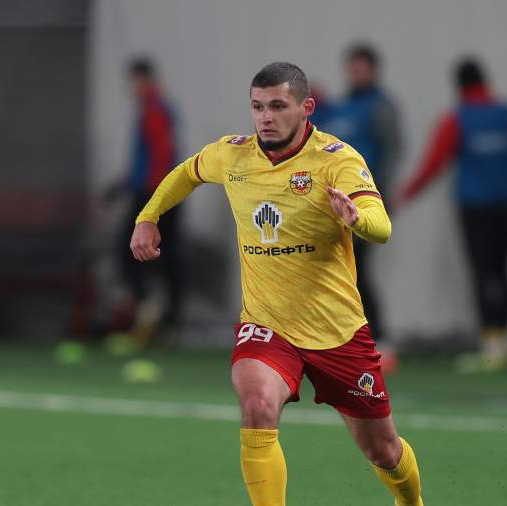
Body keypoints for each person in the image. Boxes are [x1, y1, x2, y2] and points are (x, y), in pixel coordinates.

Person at [130, 62, 423, 506]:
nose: (265, 117)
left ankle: (411, 501)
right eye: (258, 107)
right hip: (268, 326)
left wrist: (357, 219)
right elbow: (187, 172)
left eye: (278, 106)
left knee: (383, 451)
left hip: (336, 331)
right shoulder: (233, 155)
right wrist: (148, 217)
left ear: (306, 108)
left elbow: (381, 226)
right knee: (257, 405)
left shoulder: (336, 159)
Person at [397, 58, 507, 372]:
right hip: (504, 205)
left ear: (459, 86)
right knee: (502, 270)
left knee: (482, 273)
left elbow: (433, 164)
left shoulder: (457, 119)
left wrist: (404, 195)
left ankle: (491, 344)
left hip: (473, 207)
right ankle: (505, 341)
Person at [321, 43, 402, 370]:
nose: (356, 73)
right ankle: (342, 342)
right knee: (338, 271)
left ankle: (380, 340)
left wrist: (379, 194)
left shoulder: (380, 107)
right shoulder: (339, 107)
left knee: (358, 271)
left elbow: (391, 151)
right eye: (352, 67)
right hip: (333, 205)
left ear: (373, 70)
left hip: (364, 202)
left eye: (361, 68)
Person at [109, 57, 181, 348]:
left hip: (155, 195)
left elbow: (161, 156)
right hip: (159, 192)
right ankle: (158, 319)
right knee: (163, 257)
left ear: (142, 80)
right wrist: (124, 183)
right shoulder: (156, 108)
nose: (130, 88)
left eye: (133, 82)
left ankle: (150, 317)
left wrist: (154, 203)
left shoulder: (154, 110)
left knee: (133, 253)